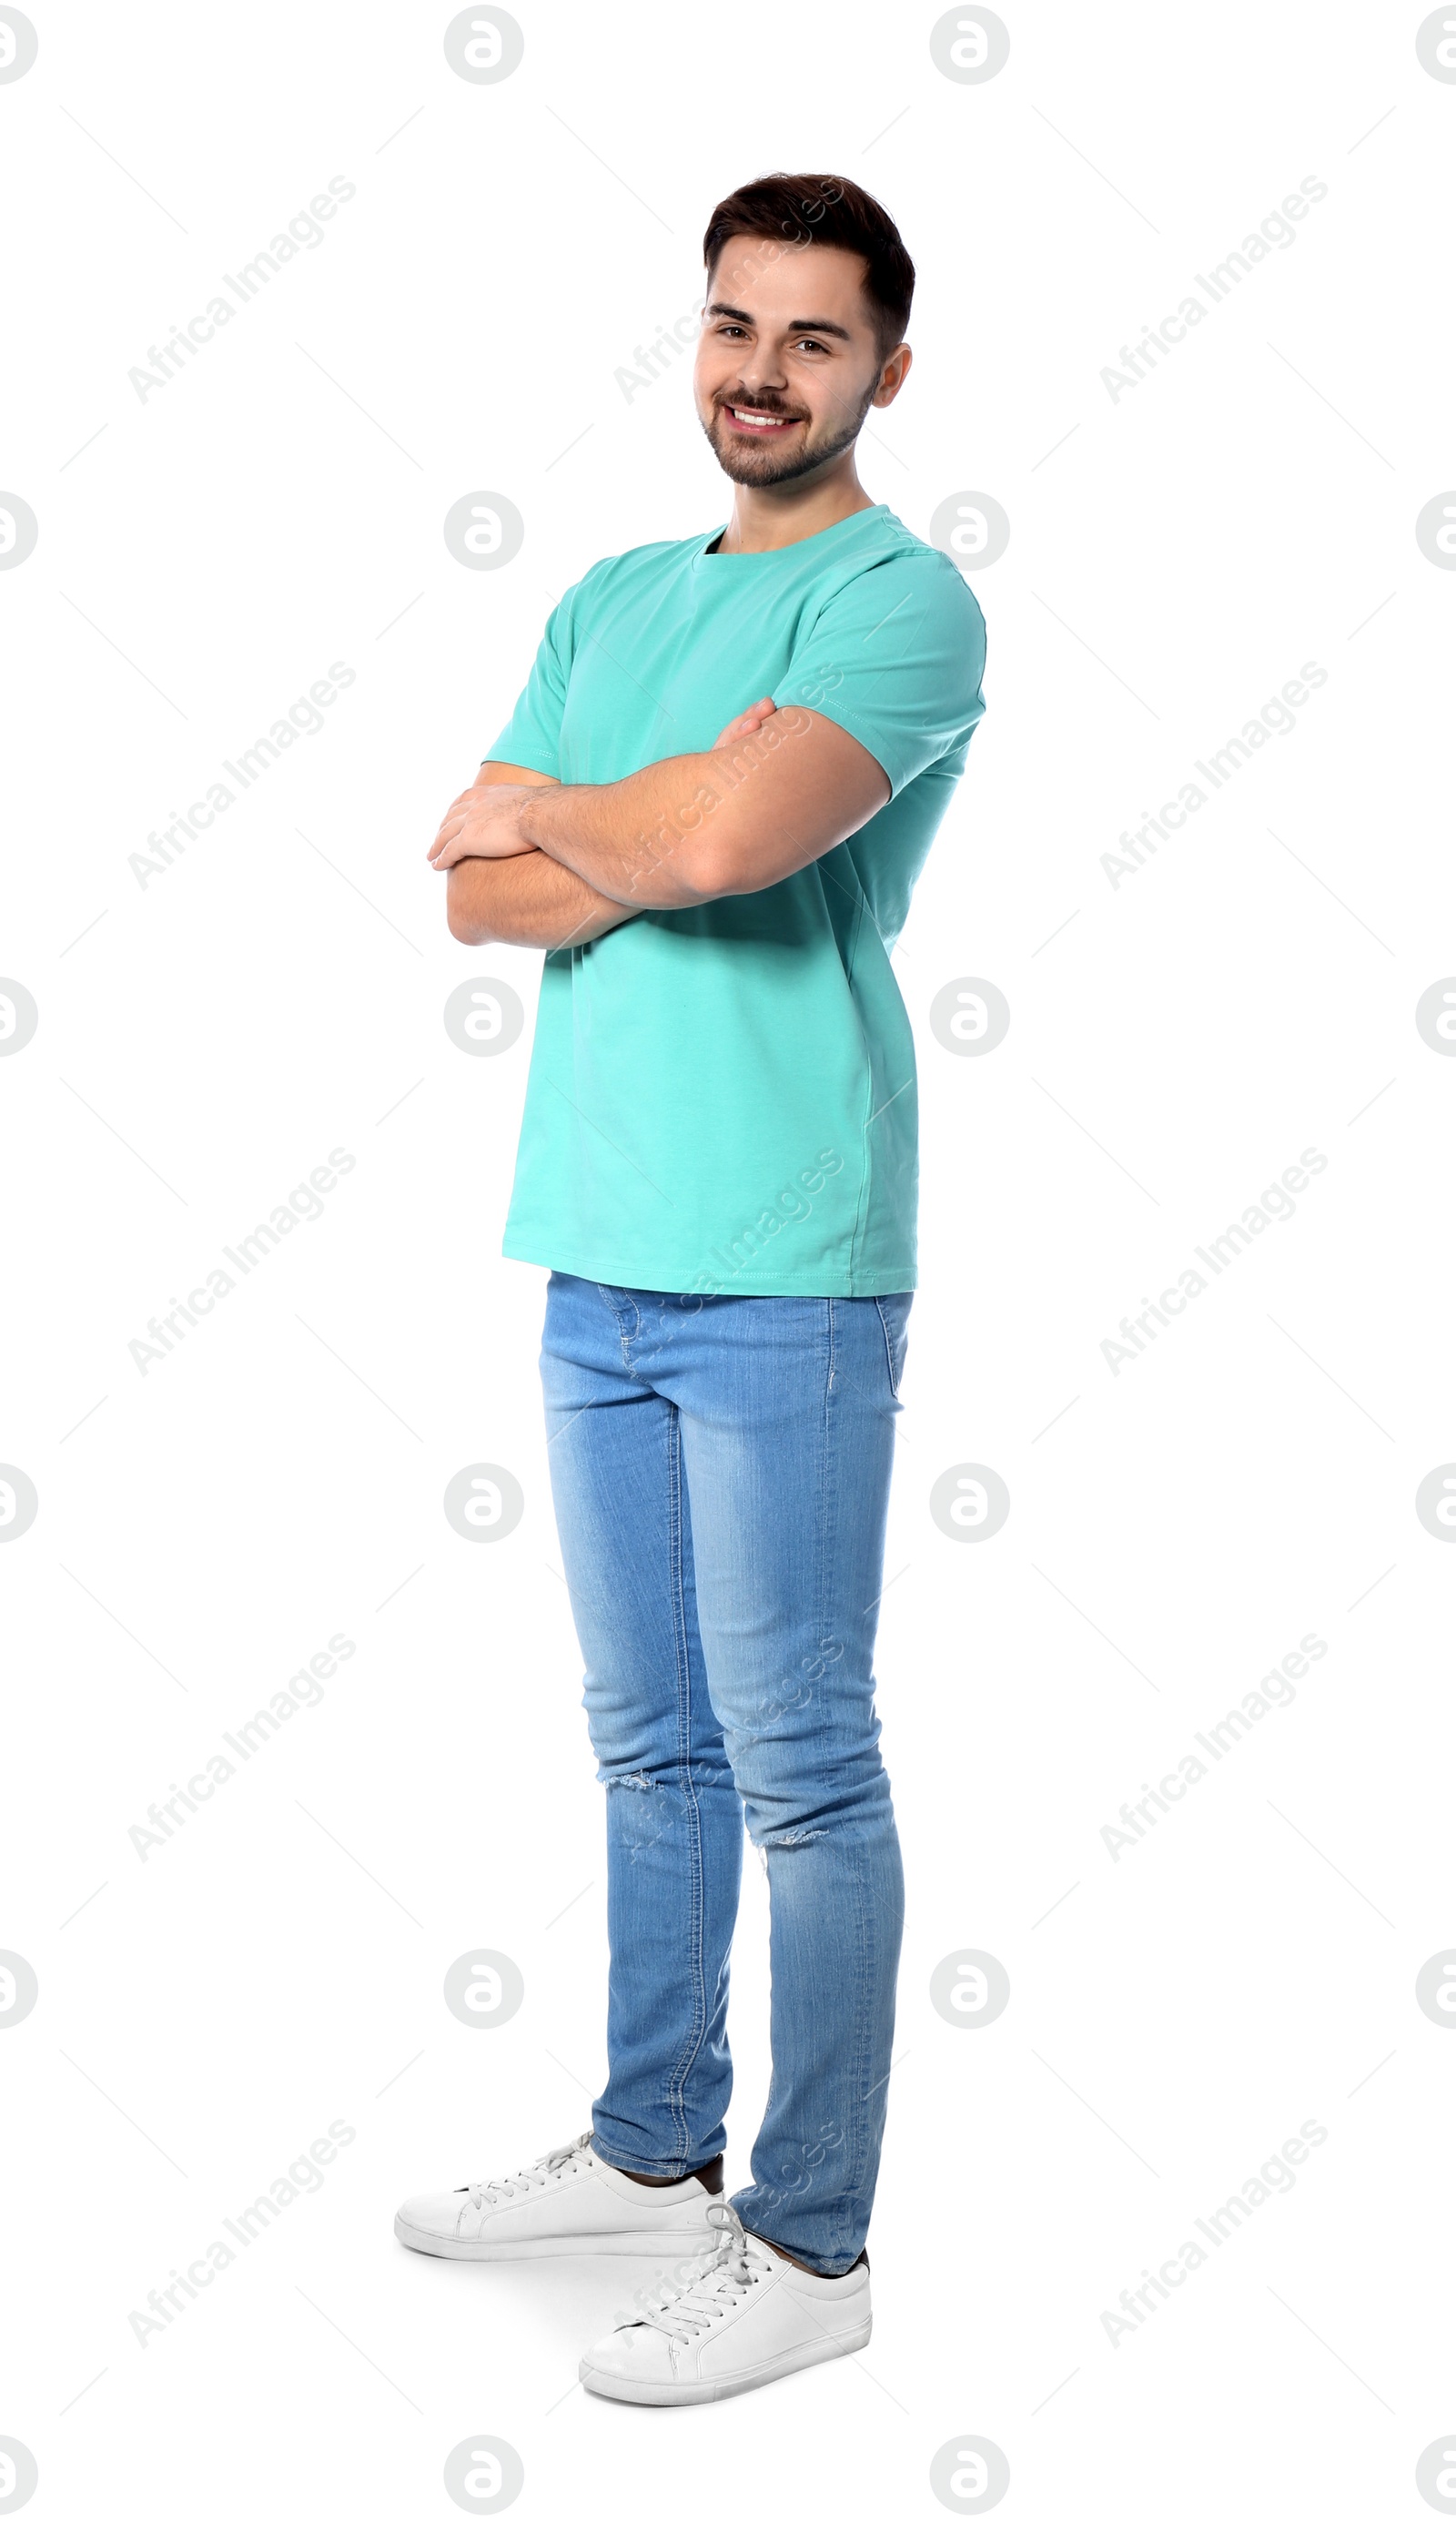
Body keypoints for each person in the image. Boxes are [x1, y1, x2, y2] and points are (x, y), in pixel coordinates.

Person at [396, 171, 987, 2406]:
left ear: (884, 373)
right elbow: (468, 888)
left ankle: (810, 2239)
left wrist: (579, 820)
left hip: (786, 1267)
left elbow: (732, 854)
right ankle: (653, 2154)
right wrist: (601, 811)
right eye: (733, 327)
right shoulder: (615, 593)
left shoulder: (901, 606)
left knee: (798, 1766)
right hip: (596, 1253)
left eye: (813, 341)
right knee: (647, 1747)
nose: (760, 371)